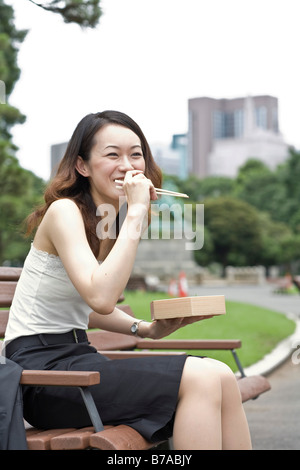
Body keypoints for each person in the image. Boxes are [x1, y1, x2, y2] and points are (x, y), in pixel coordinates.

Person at [3, 110, 252, 450]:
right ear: (82, 166)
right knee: (202, 378)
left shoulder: (110, 220)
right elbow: (101, 298)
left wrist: (144, 329)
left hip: (79, 360)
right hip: (43, 375)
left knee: (221, 375)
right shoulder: (64, 212)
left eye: (136, 154)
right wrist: (135, 212)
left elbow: (86, 305)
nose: (128, 165)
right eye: (112, 154)